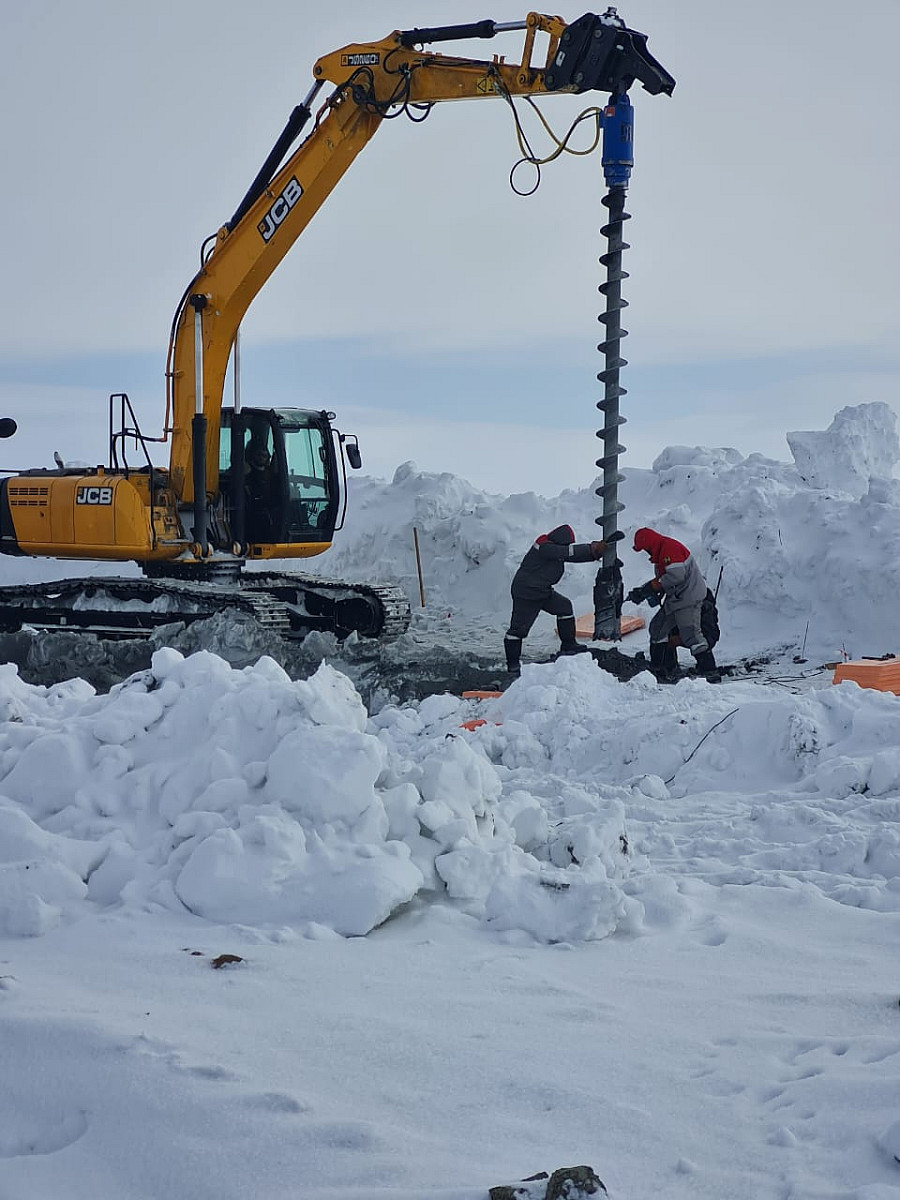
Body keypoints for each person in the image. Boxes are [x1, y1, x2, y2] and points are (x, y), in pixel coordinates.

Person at [504, 525, 608, 677]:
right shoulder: (544, 546)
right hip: (527, 592)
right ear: (559, 541)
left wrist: (593, 553)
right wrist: (592, 548)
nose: (567, 546)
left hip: (542, 590)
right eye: (566, 544)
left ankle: (568, 645)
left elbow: (571, 555)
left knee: (564, 607)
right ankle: (512, 665)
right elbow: (567, 552)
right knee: (518, 630)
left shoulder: (555, 549)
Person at [627, 527, 719, 680]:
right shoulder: (661, 553)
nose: (646, 552)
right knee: (658, 628)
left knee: (691, 635)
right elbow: (665, 579)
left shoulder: (670, 549)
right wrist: (646, 590)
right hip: (676, 599)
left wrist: (653, 586)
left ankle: (709, 670)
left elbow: (676, 576)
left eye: (645, 549)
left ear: (650, 544)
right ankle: (662, 667)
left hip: (689, 598)